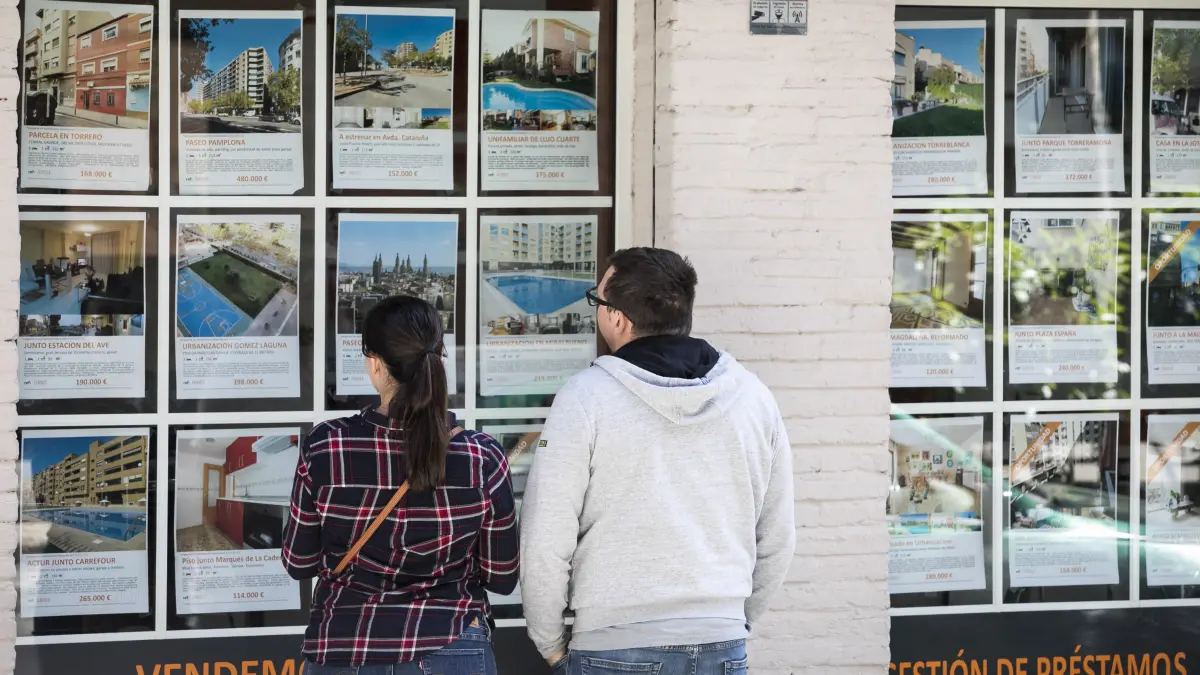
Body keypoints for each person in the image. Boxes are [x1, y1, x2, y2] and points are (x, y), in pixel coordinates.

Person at [519, 247, 796, 674]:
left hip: (614, 644)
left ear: (618, 318)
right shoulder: (753, 397)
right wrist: (731, 619)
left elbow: (546, 536)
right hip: (720, 643)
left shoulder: (585, 398)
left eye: (596, 300)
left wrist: (550, 643)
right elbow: (777, 535)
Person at [282, 295, 519, 674]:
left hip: (346, 644)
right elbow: (502, 578)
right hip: (452, 645)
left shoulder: (326, 446)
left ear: (375, 363)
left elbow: (299, 563)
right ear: (439, 358)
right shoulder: (481, 456)